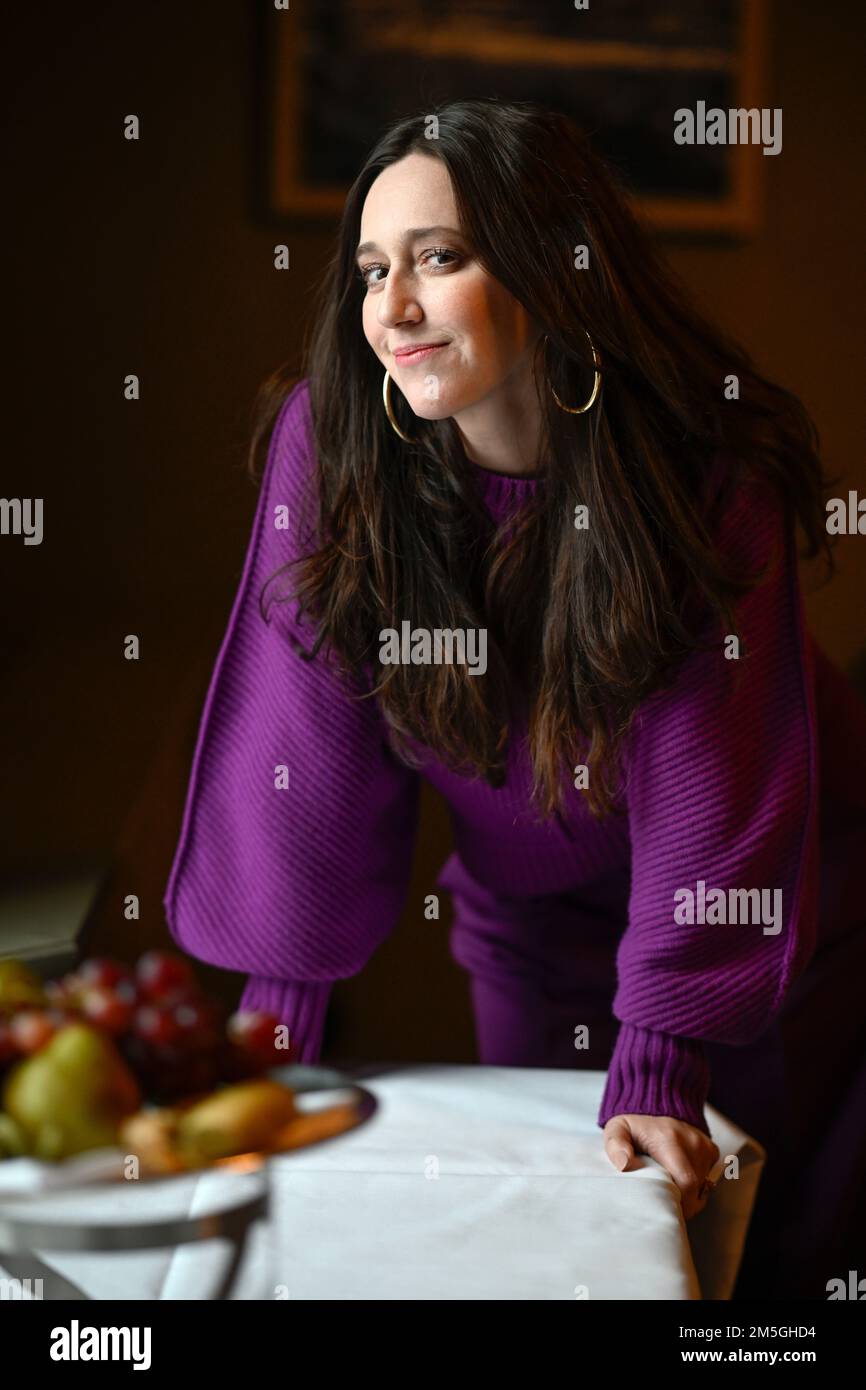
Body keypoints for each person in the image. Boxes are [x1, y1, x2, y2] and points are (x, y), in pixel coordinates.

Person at [163, 99, 866, 1300]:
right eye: (372, 268)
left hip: (779, 906)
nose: (389, 309)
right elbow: (305, 746)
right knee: (554, 1253)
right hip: (526, 911)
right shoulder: (329, 446)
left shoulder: (705, 465)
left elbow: (714, 780)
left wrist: (659, 1053)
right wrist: (273, 1031)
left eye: (440, 258)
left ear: (549, 264)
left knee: (770, 1261)